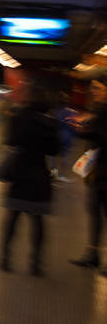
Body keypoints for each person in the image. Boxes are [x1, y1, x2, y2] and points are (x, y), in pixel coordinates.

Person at [0, 84, 59, 275]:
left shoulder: (18, 117)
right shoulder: (50, 122)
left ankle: (5, 259)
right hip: (39, 175)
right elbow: (54, 150)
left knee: (12, 218)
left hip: (19, 173)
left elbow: (10, 141)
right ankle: (36, 264)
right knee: (37, 221)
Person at [69, 76, 107, 271]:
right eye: (94, 89)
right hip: (99, 172)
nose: (95, 93)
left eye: (99, 89)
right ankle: (92, 255)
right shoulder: (98, 111)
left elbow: (102, 136)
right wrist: (80, 130)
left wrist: (88, 129)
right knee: (94, 212)